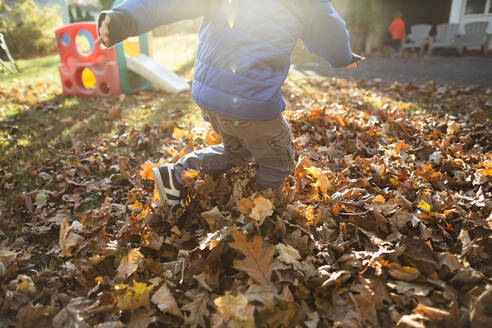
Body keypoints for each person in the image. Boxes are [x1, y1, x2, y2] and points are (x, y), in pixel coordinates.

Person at [96, 0, 364, 206]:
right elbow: (330, 30)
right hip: (252, 103)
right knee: (279, 160)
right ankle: (260, 210)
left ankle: (175, 176)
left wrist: (124, 19)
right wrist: (342, 56)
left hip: (210, 98)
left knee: (238, 150)